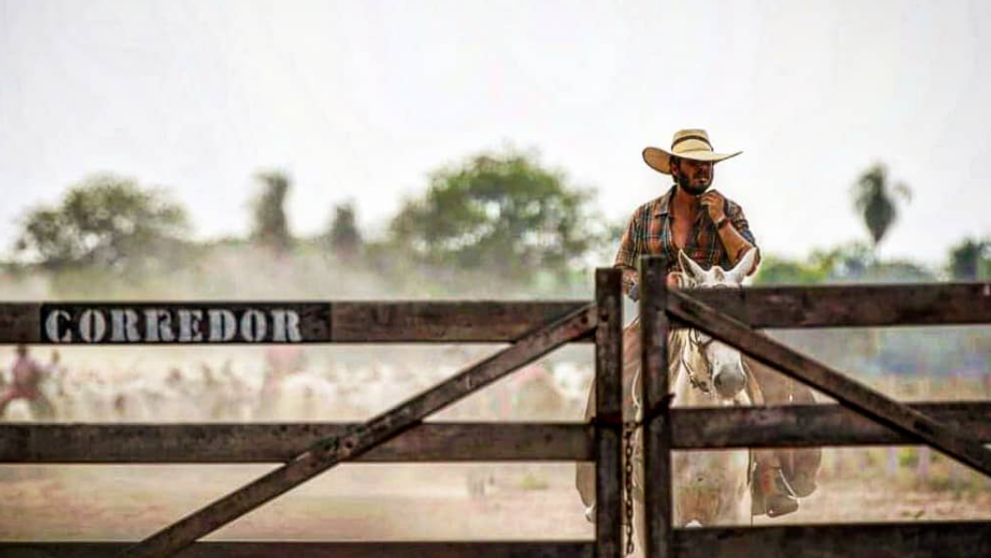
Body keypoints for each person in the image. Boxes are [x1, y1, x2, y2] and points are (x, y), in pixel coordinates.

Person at [577, 129, 820, 519]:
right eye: (694, 164)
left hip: (718, 319)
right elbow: (621, 268)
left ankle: (771, 476)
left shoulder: (729, 210)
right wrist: (653, 285)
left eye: (707, 164)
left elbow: (750, 260)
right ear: (674, 167)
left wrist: (720, 219)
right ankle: (615, 482)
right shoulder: (645, 216)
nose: (703, 171)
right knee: (612, 377)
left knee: (774, 375)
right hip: (658, 317)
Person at [0, 344, 56, 420]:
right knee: (49, 405)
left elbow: (13, 379)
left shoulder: (15, 364)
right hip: (31, 391)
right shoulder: (32, 362)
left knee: (2, 400)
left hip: (17, 391)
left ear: (18, 352)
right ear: (26, 352)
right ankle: (51, 417)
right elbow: (42, 372)